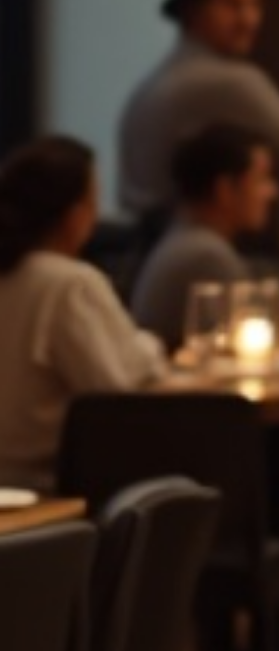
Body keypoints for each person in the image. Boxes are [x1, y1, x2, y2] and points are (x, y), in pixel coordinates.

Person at [0, 137, 168, 492]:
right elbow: (111, 397)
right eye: (93, 201)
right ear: (74, 213)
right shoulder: (69, 284)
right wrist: (150, 348)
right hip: (50, 490)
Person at [116, 0, 279, 226]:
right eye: (231, 4)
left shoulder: (154, 81)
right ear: (192, 10)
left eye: (255, 4)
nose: (248, 19)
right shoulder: (230, 83)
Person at [129, 124, 279, 350]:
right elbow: (246, 350)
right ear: (225, 189)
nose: (272, 191)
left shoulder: (186, 241)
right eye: (262, 179)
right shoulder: (207, 256)